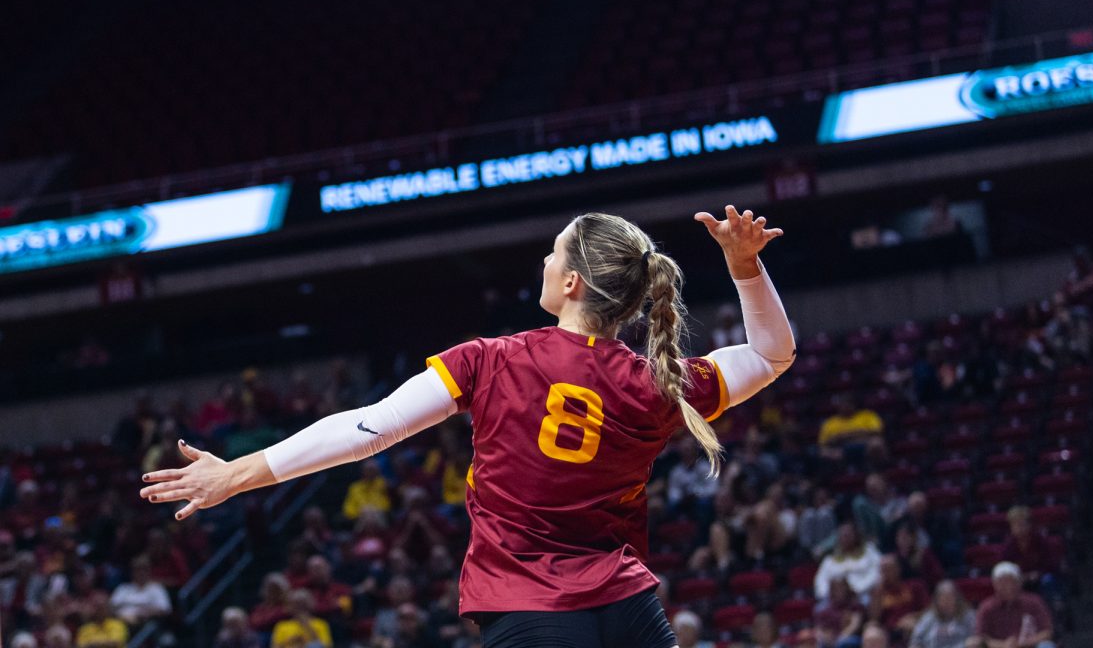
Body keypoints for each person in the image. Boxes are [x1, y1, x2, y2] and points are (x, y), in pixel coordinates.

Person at [141, 206, 795, 648]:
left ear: (570, 281)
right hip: (630, 611)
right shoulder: (655, 380)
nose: (542, 261)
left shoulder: (494, 359)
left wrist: (239, 473)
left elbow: (373, 427)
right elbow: (771, 355)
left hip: (532, 612)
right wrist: (746, 267)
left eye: (552, 253)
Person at [973, 562, 1055, 648]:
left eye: (1011, 581)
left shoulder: (1033, 602)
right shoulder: (987, 607)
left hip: (1029, 645)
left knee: (1047, 646)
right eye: (1002, 582)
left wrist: (1022, 644)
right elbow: (982, 637)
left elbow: (1047, 632)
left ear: (1019, 582)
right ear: (994, 584)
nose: (1008, 586)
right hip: (999, 647)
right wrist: (1004, 645)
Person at [815, 523, 882, 601]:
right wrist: (828, 594)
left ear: (856, 535)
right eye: (843, 535)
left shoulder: (870, 551)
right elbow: (821, 580)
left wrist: (858, 589)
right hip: (834, 599)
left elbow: (877, 572)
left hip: (864, 594)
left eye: (848, 535)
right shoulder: (829, 560)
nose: (846, 538)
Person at [818, 396, 885, 465]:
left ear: (854, 405)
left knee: (877, 442)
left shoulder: (867, 415)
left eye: (848, 405)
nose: (846, 407)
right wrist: (839, 438)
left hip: (865, 443)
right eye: (843, 405)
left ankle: (877, 469)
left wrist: (847, 435)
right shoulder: (830, 423)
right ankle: (843, 471)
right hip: (841, 448)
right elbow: (824, 442)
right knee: (824, 452)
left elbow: (876, 431)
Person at [910, 581, 975, 648]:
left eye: (949, 598)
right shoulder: (929, 617)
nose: (946, 602)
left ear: (957, 599)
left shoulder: (968, 616)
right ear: (937, 601)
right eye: (943, 599)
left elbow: (975, 639)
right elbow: (916, 640)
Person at [109, 556, 171, 627]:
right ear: (132, 571)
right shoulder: (123, 588)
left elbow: (165, 609)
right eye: (138, 569)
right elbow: (112, 607)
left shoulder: (157, 588)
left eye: (144, 569)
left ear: (149, 571)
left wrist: (144, 613)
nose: (141, 572)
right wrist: (123, 617)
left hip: (146, 624)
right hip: (121, 623)